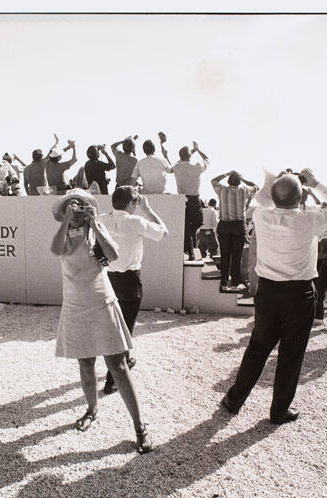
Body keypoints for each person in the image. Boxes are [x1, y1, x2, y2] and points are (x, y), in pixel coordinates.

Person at [221, 169, 327, 424]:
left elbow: (266, 197)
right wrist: (314, 182)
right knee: (291, 355)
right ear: (301, 195)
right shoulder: (310, 219)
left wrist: (280, 179)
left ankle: (234, 399)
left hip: (268, 292)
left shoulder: (261, 214)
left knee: (257, 348)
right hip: (298, 293)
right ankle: (279, 410)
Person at [50, 188, 152, 454]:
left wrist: (95, 223)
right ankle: (92, 409)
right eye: (72, 205)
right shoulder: (64, 231)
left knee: (117, 365)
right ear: (64, 211)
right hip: (74, 303)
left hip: (100, 300)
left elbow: (114, 254)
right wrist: (65, 222)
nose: (76, 209)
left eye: (81, 205)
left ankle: (140, 427)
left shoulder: (95, 229)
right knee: (85, 364)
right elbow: (55, 249)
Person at [98, 185, 168, 395]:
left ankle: (126, 359)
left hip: (108, 279)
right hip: (129, 280)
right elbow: (164, 233)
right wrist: (148, 210)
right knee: (124, 329)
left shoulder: (102, 219)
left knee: (115, 326)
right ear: (130, 203)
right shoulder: (135, 221)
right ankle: (112, 380)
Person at [211, 170, 258, 292]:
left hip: (224, 225)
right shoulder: (243, 190)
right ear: (239, 181)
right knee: (237, 257)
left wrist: (226, 173)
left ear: (228, 180)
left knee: (225, 256)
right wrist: (243, 179)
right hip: (238, 226)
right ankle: (236, 283)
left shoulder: (222, 190)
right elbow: (256, 187)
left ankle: (224, 283)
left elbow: (213, 181)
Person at [173, 141, 210, 261]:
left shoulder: (177, 167)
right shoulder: (197, 167)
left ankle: (189, 247)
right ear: (190, 156)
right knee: (197, 222)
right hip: (194, 199)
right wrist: (198, 150)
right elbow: (207, 159)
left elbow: (178, 162)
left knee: (188, 227)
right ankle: (190, 251)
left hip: (182, 200)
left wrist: (191, 152)